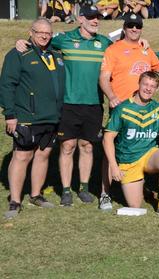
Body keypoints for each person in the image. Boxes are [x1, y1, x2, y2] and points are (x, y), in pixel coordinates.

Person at [15, 5, 113, 207]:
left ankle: (84, 188)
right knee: (67, 146)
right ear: (80, 19)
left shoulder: (104, 43)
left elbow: (124, 49)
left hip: (94, 103)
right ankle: (66, 190)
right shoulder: (64, 39)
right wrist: (21, 42)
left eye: (97, 18)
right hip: (68, 103)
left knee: (86, 147)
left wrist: (142, 41)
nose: (95, 21)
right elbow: (41, 40)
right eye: (91, 17)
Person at [1, 19, 65, 219]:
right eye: (40, 32)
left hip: (52, 116)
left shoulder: (56, 54)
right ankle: (15, 200)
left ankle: (36, 195)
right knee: (22, 156)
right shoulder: (18, 54)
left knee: (43, 155)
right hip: (27, 116)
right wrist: (10, 115)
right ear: (31, 32)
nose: (44, 36)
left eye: (48, 33)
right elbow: (6, 85)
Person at [103, 71, 159, 218]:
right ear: (139, 84)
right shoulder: (122, 109)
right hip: (129, 161)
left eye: (152, 86)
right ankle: (142, 185)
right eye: (145, 84)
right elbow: (107, 138)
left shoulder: (157, 108)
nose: (148, 89)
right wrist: (114, 167)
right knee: (135, 205)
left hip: (149, 154)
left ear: (156, 89)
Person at [100, 13, 159, 108]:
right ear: (124, 28)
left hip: (144, 107)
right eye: (130, 26)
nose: (134, 29)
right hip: (121, 105)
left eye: (138, 26)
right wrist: (112, 97)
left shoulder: (146, 49)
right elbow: (104, 78)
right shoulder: (113, 49)